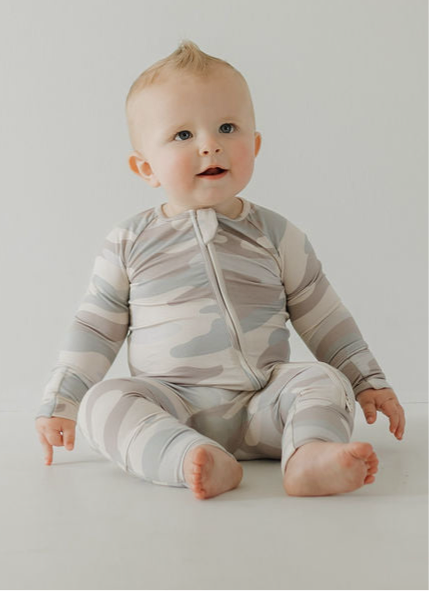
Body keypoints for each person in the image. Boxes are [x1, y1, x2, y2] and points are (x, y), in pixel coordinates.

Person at [35, 39, 406, 500]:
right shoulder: (129, 241)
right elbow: (94, 329)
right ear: (146, 168)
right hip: (171, 404)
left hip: (264, 405)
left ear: (256, 144)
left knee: (323, 380)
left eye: (227, 128)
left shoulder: (276, 234)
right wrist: (62, 401)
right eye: (183, 135)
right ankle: (188, 456)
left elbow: (324, 316)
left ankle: (309, 454)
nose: (210, 145)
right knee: (104, 402)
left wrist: (367, 381)